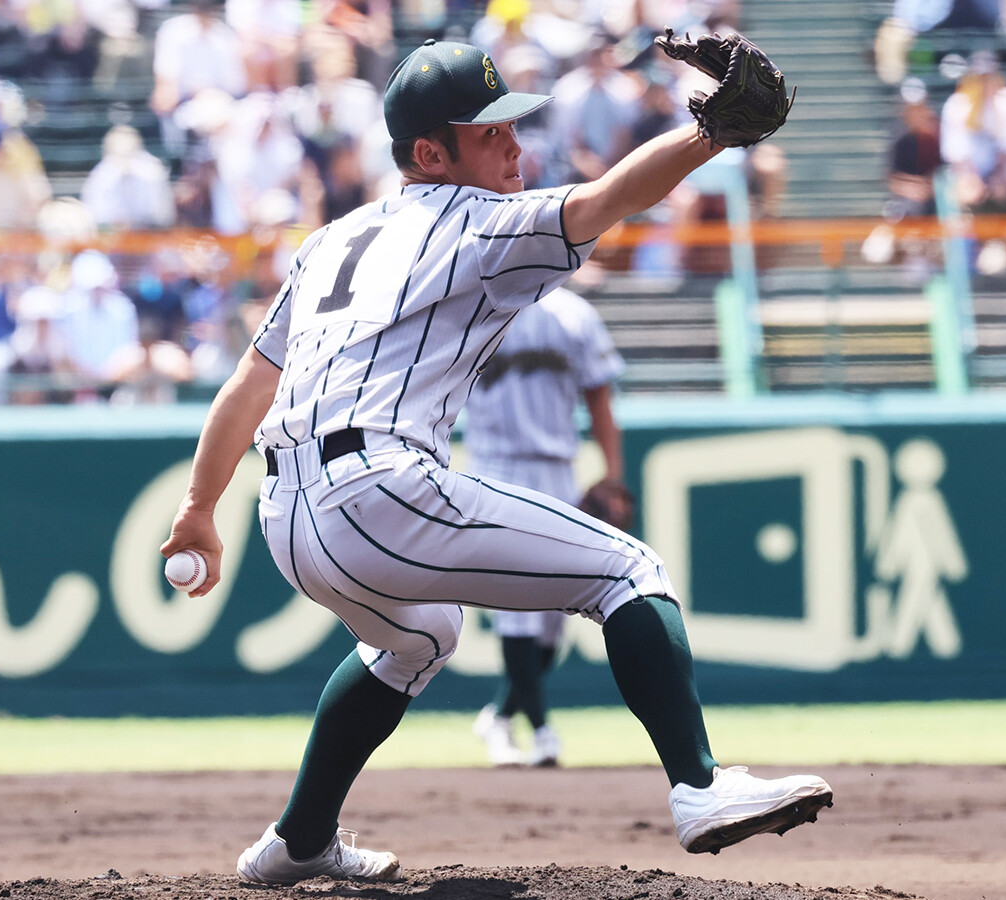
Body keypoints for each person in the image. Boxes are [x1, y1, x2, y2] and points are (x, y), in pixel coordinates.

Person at [162, 38, 832, 886]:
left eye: (512, 126)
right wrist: (709, 135)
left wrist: (197, 508)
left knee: (421, 638)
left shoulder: (331, 242)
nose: (512, 146)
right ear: (430, 155)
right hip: (378, 492)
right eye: (488, 135)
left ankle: (299, 839)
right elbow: (603, 200)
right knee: (627, 571)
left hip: (285, 516)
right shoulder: (473, 221)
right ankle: (699, 787)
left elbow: (249, 383)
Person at [466, 285, 627, 768]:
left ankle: (499, 714)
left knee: (556, 617)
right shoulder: (472, 305)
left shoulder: (574, 314)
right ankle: (541, 731)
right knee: (516, 604)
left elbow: (599, 396)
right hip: (494, 467)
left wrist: (613, 473)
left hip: (558, 467)